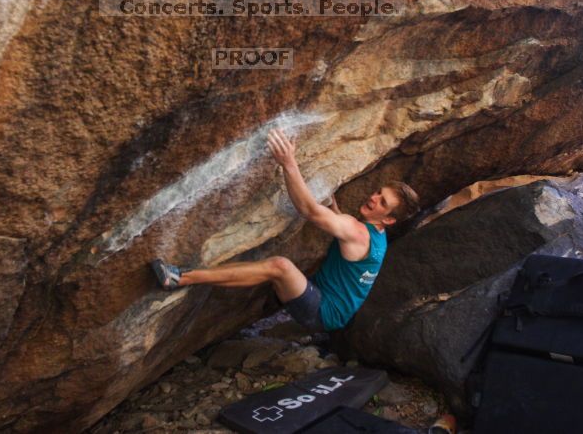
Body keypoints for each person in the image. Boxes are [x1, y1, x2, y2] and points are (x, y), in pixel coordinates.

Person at [151, 128, 420, 331]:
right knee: (279, 272)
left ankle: (181, 278)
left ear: (389, 220)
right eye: (377, 192)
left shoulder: (357, 231)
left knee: (280, 266)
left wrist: (288, 163)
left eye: (382, 202)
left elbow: (310, 211)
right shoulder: (373, 235)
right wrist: (334, 209)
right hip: (325, 302)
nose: (373, 198)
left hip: (324, 313)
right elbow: (344, 230)